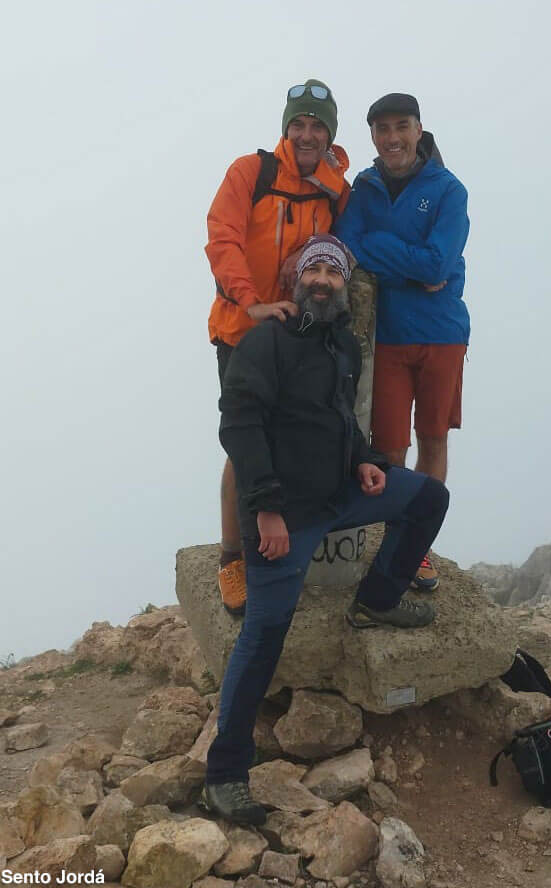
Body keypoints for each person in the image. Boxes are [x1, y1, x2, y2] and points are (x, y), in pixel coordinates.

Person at [202, 234, 449, 825]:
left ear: (343, 285)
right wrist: (265, 511)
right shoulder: (267, 342)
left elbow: (340, 420)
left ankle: (377, 599)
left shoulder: (343, 344)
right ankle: (225, 773)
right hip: (283, 516)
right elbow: (239, 426)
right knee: (263, 636)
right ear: (296, 280)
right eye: (312, 269)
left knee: (428, 499)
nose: (321, 279)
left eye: (332, 272)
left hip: (339, 494)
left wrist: (365, 460)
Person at [205, 79, 351, 617]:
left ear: (329, 134)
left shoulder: (332, 188)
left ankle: (280, 546)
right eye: (299, 124)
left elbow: (347, 241)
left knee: (292, 437)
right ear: (286, 128)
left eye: (318, 127)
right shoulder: (251, 172)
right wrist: (252, 303)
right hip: (243, 329)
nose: (307, 135)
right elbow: (222, 239)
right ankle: (232, 557)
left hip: (299, 332)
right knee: (245, 443)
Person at [334, 93, 469, 592]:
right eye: (382, 128)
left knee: (432, 438)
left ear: (418, 129)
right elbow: (349, 243)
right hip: (388, 335)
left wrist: (383, 253)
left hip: (442, 333)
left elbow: (438, 265)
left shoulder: (449, 190)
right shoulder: (364, 187)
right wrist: (410, 262)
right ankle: (396, 541)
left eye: (401, 126)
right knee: (389, 446)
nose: (392, 138)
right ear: (372, 135)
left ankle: (417, 544)